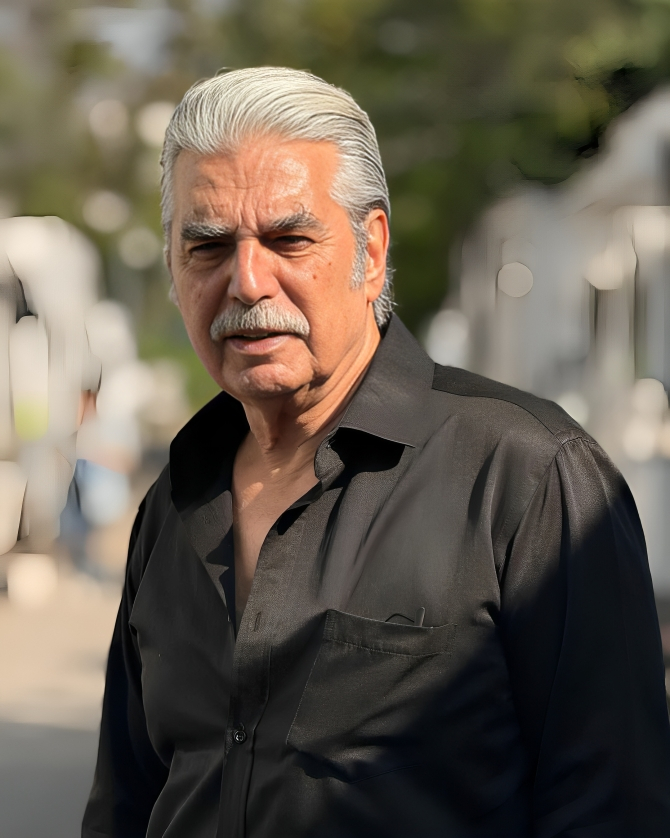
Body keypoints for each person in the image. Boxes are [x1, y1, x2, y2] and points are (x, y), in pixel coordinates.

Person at [82, 67, 670, 838]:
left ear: (372, 247)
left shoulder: (527, 477)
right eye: (208, 246)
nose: (247, 281)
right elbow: (126, 801)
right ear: (171, 264)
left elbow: (613, 807)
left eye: (290, 239)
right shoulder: (176, 498)